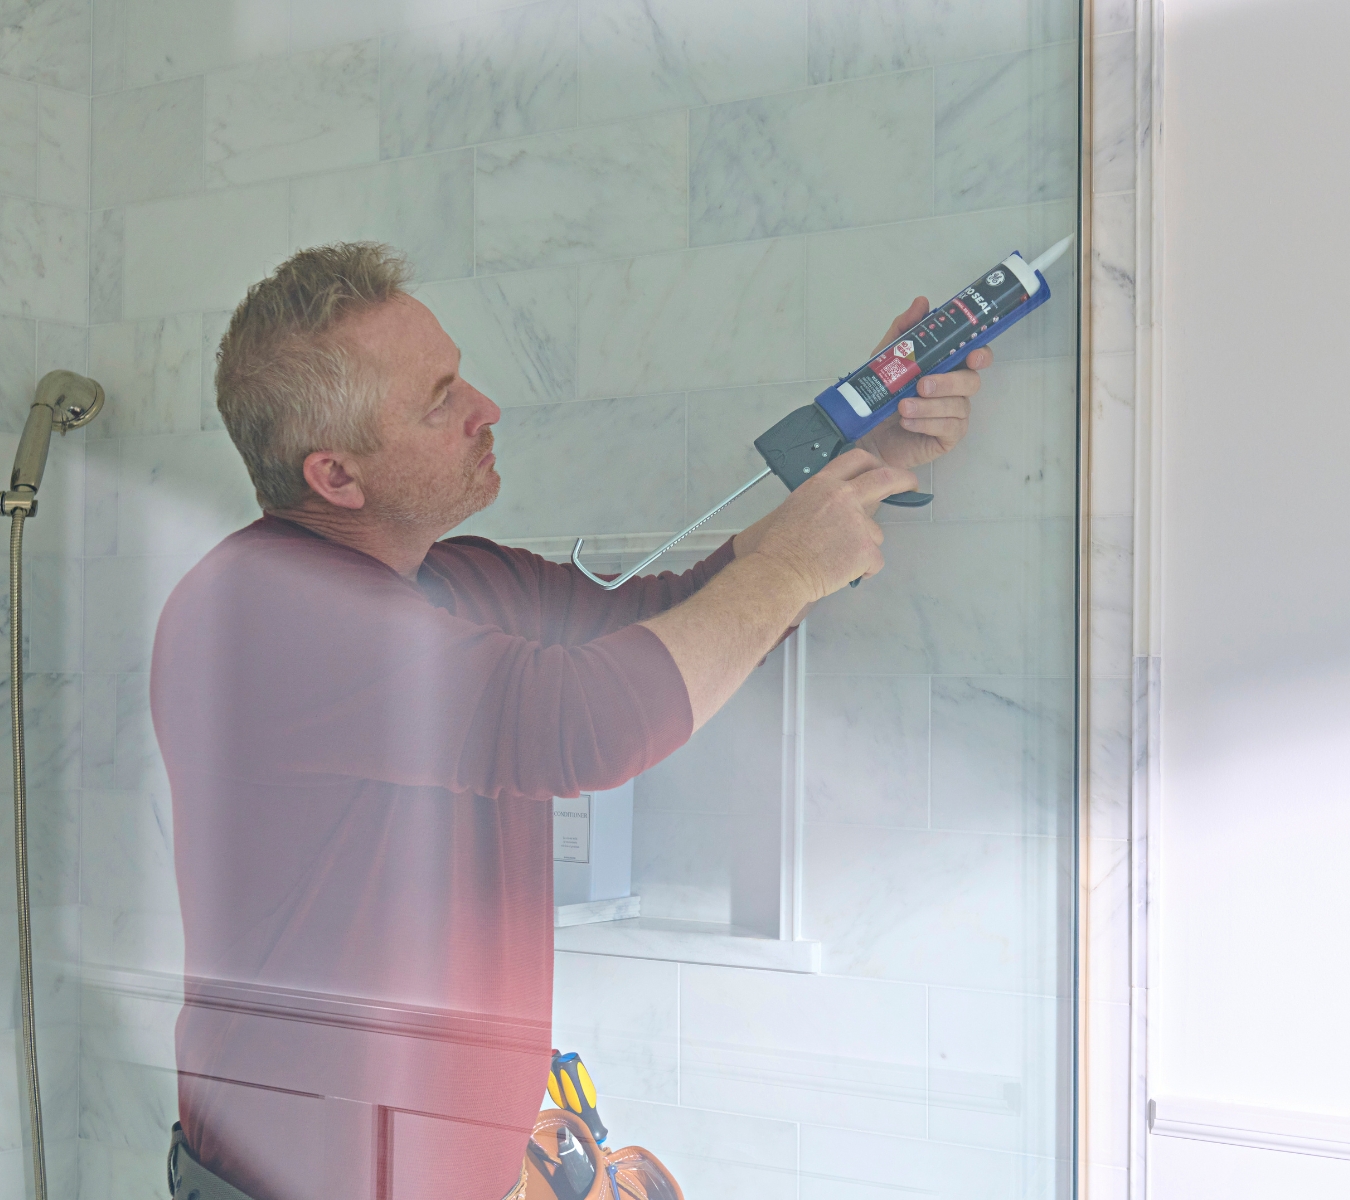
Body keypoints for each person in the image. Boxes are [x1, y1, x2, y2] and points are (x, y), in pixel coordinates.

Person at [151, 243, 990, 1200]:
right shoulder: (266, 609)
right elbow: (585, 723)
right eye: (438, 400)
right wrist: (796, 563)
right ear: (337, 476)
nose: (485, 407)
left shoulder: (457, 580)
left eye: (459, 373)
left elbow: (680, 616)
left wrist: (866, 462)